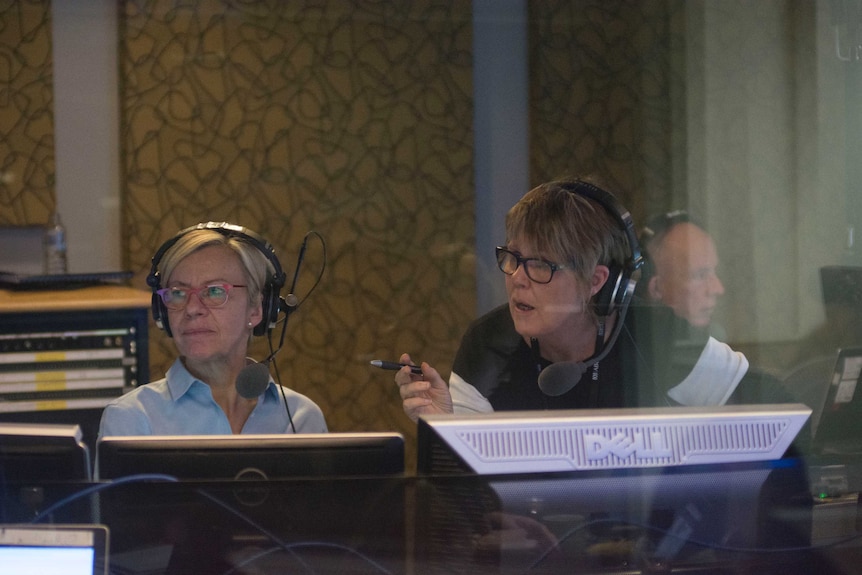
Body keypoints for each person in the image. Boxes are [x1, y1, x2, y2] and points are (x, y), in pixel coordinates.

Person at [395, 178, 794, 422]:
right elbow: (472, 497)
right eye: (513, 259)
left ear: (596, 281)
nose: (517, 278)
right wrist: (446, 425)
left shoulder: (654, 334)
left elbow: (775, 411)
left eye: (540, 266)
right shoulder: (489, 345)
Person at [99, 222, 327, 437]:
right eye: (178, 293)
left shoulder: (301, 419)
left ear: (257, 310)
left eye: (215, 292)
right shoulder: (131, 419)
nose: (192, 308)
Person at [637, 211, 725, 331]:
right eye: (700, 275)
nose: (718, 289)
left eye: (715, 272)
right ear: (657, 288)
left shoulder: (716, 343)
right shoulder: (631, 346)